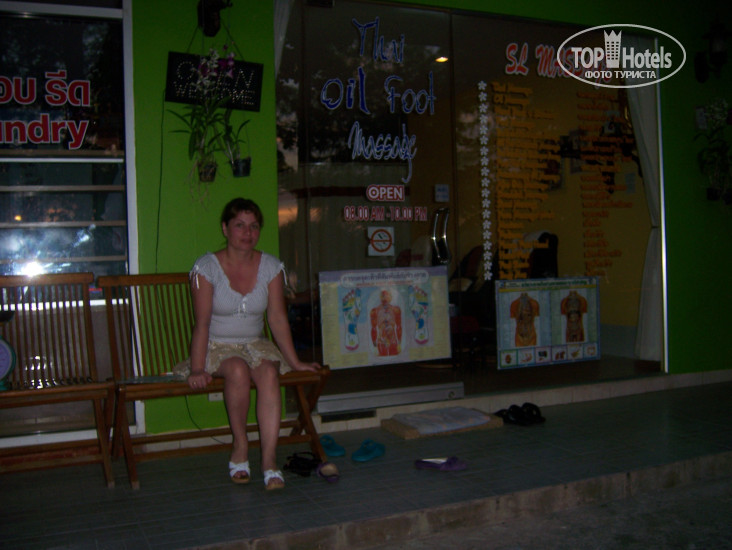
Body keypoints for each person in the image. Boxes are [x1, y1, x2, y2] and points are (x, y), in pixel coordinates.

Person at [184, 198, 320, 490]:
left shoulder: (271, 266)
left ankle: (269, 460)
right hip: (218, 346)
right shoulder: (206, 268)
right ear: (225, 228)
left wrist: (295, 362)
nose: (247, 233)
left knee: (269, 372)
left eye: (254, 226)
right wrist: (196, 368)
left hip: (255, 345)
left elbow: (277, 319)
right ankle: (240, 444)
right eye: (240, 225)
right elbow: (202, 323)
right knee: (237, 369)